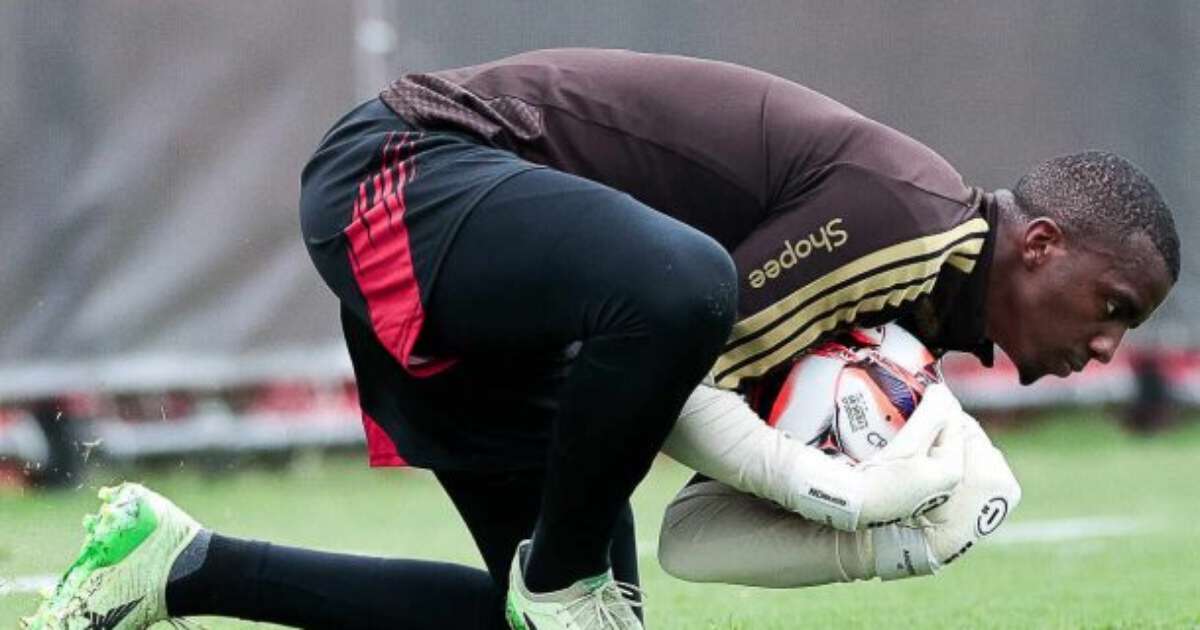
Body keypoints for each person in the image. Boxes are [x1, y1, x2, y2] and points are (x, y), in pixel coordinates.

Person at [23, 48, 1177, 630]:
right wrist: (825, 486)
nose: (1105, 348)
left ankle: (177, 568)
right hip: (409, 174)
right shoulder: (916, 220)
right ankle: (563, 570)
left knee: (555, 626)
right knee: (680, 293)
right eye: (1112, 305)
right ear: (1039, 246)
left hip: (506, 277)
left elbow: (688, 526)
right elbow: (683, 332)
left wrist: (865, 540)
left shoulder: (906, 301)